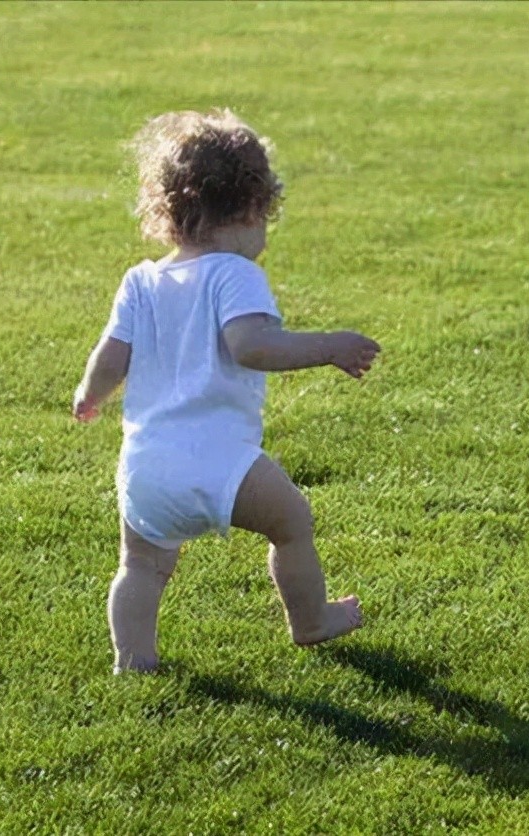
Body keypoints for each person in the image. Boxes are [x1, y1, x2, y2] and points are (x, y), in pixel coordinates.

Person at [73, 109, 381, 674]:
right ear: (247, 209)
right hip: (220, 460)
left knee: (140, 566)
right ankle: (312, 619)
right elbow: (252, 347)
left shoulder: (140, 280)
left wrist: (89, 395)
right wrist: (330, 347)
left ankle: (133, 659)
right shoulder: (234, 273)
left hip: (145, 466)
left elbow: (110, 355)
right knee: (292, 524)